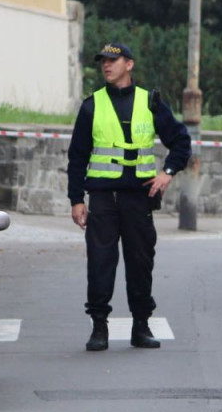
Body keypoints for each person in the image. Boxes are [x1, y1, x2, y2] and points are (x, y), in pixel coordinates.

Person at [67, 42, 191, 351]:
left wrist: (167, 173)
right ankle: (99, 327)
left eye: (113, 60)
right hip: (103, 199)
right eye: (103, 61)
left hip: (139, 198)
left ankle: (141, 325)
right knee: (100, 263)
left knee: (140, 262)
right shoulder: (91, 105)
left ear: (129, 64)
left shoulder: (150, 102)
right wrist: (76, 200)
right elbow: (77, 157)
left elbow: (181, 142)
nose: (106, 65)